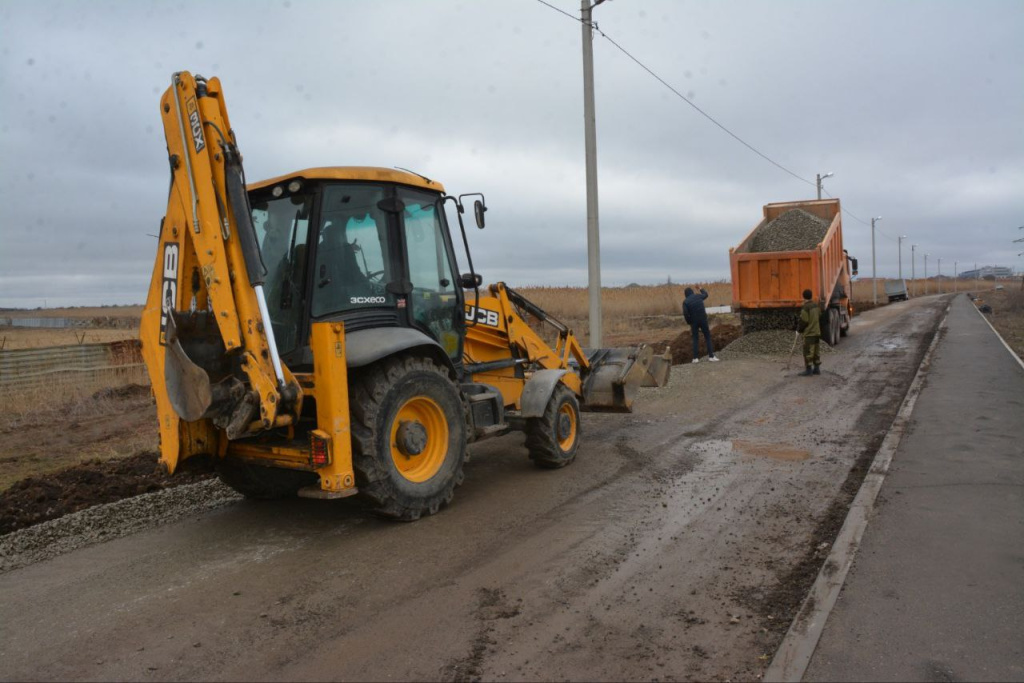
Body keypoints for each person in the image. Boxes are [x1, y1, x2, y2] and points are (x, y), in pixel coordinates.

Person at [682, 286, 718, 363]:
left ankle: (695, 358)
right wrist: (701, 288)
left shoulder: (685, 302)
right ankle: (711, 356)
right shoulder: (698, 296)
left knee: (695, 339)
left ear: (685, 295)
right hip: (703, 320)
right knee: (707, 337)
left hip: (694, 322)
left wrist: (689, 322)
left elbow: (685, 314)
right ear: (692, 292)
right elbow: (706, 294)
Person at [797, 288, 821, 376]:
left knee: (808, 352)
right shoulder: (816, 306)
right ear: (811, 296)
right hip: (817, 332)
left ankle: (808, 370)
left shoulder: (805, 308)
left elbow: (804, 321)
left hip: (809, 334)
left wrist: (799, 330)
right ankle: (817, 369)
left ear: (803, 297)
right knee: (816, 351)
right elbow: (819, 316)